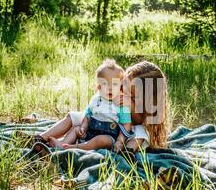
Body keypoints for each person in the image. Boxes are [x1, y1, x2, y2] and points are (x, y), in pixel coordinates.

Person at [24, 60, 170, 153]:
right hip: (103, 118)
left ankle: (127, 153)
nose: (123, 90)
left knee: (141, 133)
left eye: (130, 92)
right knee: (73, 116)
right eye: (124, 84)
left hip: (123, 129)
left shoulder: (143, 105)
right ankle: (40, 138)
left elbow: (138, 121)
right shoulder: (116, 86)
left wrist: (130, 104)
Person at [49, 59, 133, 151]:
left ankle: (73, 147)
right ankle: (63, 143)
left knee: (100, 140)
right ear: (99, 86)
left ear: (120, 85)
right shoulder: (96, 99)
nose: (110, 88)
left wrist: (120, 141)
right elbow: (88, 114)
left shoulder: (121, 104)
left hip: (109, 138)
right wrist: (83, 126)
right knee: (75, 130)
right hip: (90, 132)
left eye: (115, 84)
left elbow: (126, 125)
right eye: (105, 83)